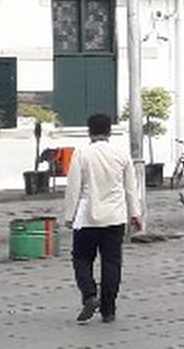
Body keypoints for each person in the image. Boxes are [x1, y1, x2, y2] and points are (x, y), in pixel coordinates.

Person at [63, 113, 143, 324]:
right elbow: (130, 189)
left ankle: (89, 295)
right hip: (115, 217)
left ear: (90, 131)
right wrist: (135, 213)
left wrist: (69, 216)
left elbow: (73, 189)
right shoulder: (121, 155)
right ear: (109, 131)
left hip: (87, 217)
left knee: (81, 257)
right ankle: (108, 309)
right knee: (112, 263)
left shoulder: (82, 154)